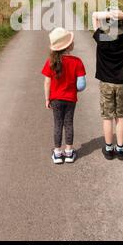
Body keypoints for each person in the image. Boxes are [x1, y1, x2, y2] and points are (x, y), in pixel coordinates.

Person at [92, 9, 123, 160]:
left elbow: (94, 16)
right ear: (122, 24)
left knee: (107, 117)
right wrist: (122, 15)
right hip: (121, 83)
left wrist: (109, 15)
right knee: (120, 116)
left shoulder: (102, 37)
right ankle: (120, 148)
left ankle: (108, 148)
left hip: (106, 83)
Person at [42, 27, 86, 164]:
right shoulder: (77, 62)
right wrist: (74, 89)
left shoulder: (51, 62)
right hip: (70, 99)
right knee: (68, 124)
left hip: (55, 99)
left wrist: (47, 98)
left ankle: (57, 153)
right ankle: (68, 152)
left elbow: (47, 82)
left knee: (57, 124)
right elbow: (81, 85)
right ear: (69, 46)